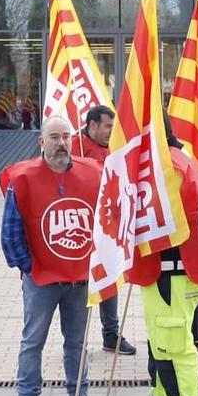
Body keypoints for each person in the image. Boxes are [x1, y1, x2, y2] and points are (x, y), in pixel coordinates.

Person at [0, 115, 102, 396]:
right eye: (54, 137)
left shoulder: (93, 175)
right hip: (41, 281)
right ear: (41, 142)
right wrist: (30, 268)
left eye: (67, 136)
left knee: (77, 344)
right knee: (33, 342)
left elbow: (106, 221)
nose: (61, 143)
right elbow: (10, 232)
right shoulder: (24, 178)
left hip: (80, 279)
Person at [132, 134, 198, 396]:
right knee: (161, 343)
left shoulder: (169, 167)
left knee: (173, 347)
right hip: (173, 270)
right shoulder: (181, 159)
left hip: (170, 270)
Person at [75, 104, 136, 357]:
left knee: (108, 278)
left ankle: (110, 334)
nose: (112, 131)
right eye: (108, 126)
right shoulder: (74, 146)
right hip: (81, 229)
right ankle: (77, 338)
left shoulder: (115, 147)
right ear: (92, 125)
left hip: (107, 229)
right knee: (81, 285)